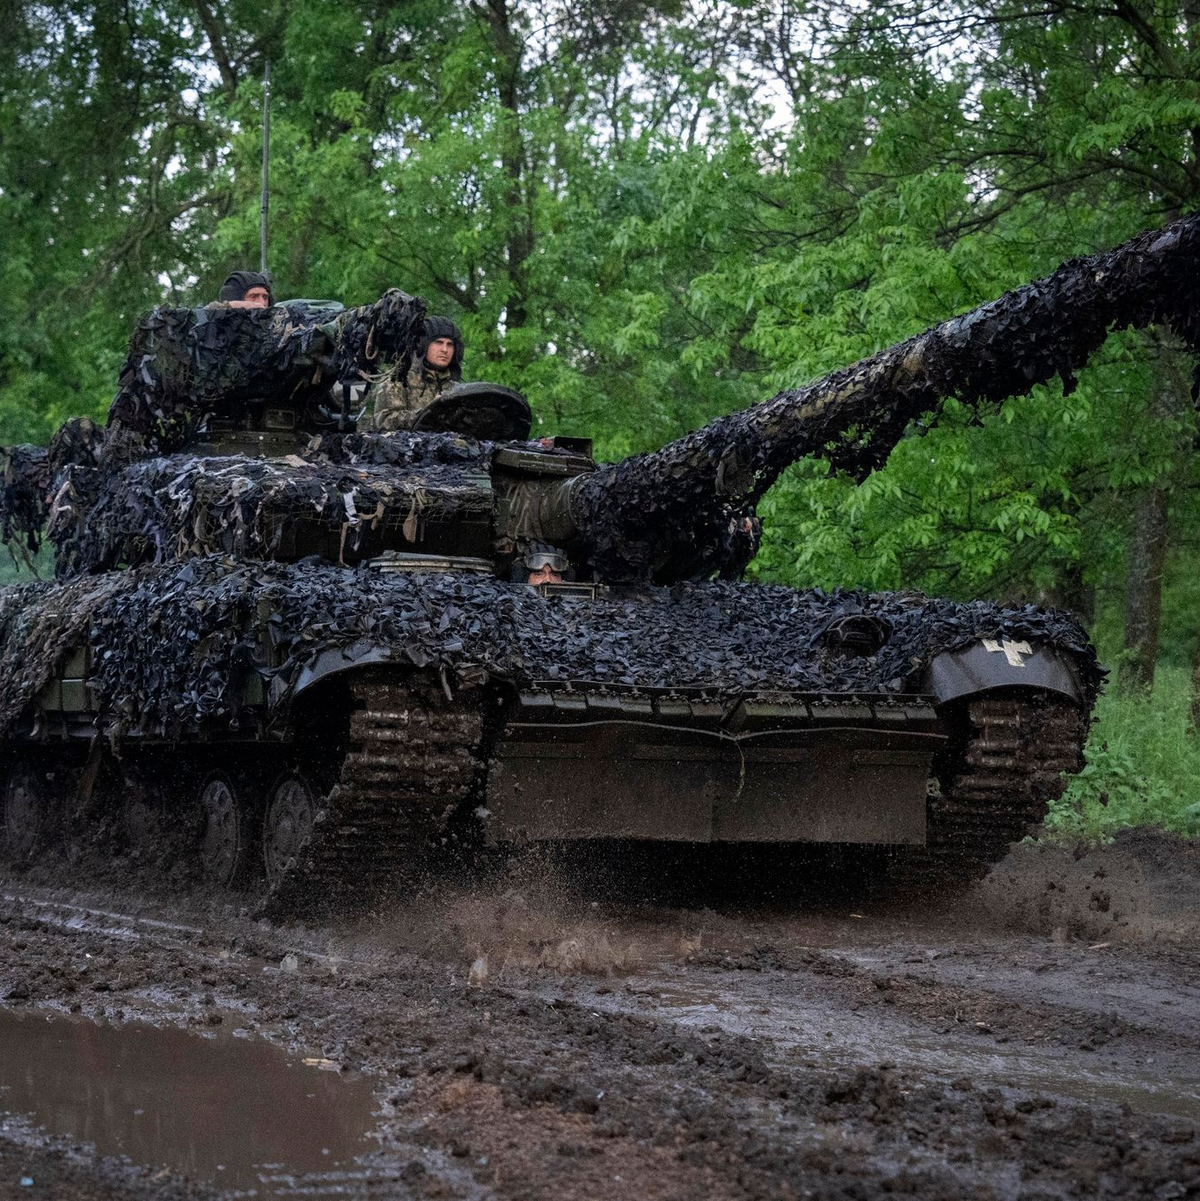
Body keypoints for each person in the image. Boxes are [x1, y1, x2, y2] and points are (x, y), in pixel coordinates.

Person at [372, 315, 463, 432]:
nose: (444, 350)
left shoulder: (454, 387)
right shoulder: (398, 380)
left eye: (449, 344)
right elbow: (384, 421)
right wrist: (429, 411)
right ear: (423, 345)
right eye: (438, 342)